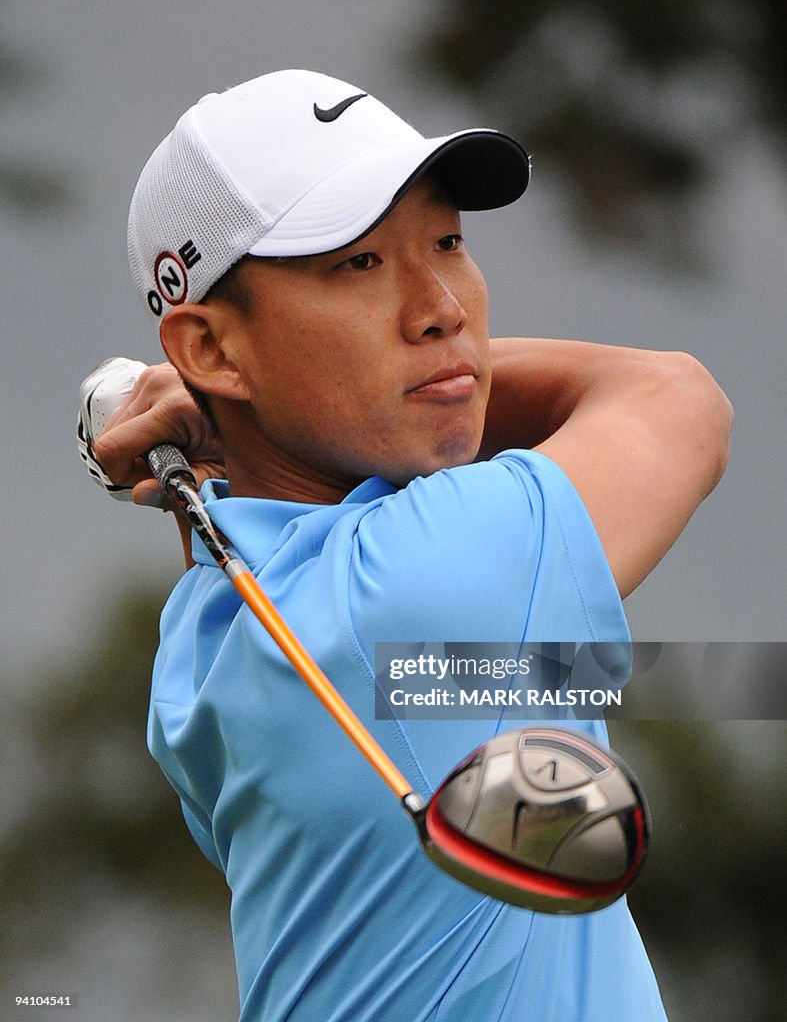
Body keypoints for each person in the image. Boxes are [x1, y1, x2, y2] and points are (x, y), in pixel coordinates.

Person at [80, 69, 732, 1022]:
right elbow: (679, 399)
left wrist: (229, 404)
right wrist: (222, 410)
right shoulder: (416, 582)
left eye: (446, 242)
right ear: (211, 348)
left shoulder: (206, 629)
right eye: (358, 263)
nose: (442, 307)